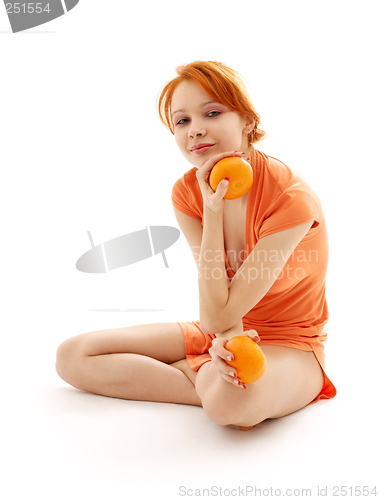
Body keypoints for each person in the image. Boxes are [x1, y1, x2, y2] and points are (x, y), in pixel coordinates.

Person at [56, 61, 336, 431]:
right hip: (220, 333)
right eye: (182, 121)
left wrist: (224, 335)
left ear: (248, 121)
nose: (195, 130)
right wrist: (222, 340)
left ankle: (202, 378)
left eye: (212, 112)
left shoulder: (289, 198)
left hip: (291, 345)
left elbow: (218, 313)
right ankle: (206, 378)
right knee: (74, 356)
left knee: (231, 407)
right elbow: (217, 315)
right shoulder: (188, 192)